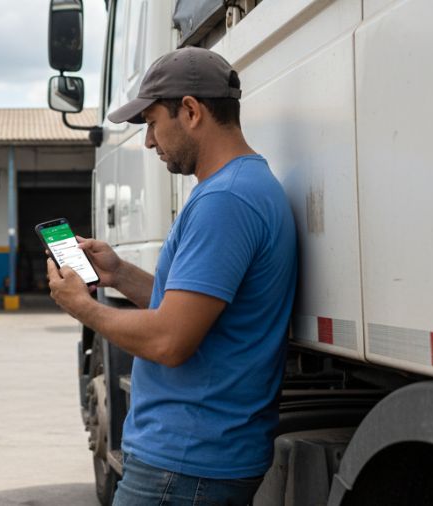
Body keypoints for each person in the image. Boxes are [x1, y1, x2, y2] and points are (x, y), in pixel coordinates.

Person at [46, 46, 298, 505]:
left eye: (151, 123)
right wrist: (119, 275)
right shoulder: (238, 188)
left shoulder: (227, 201)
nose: (147, 142)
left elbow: (169, 340)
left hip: (183, 463)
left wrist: (82, 306)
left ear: (190, 111)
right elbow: (192, 309)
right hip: (195, 458)